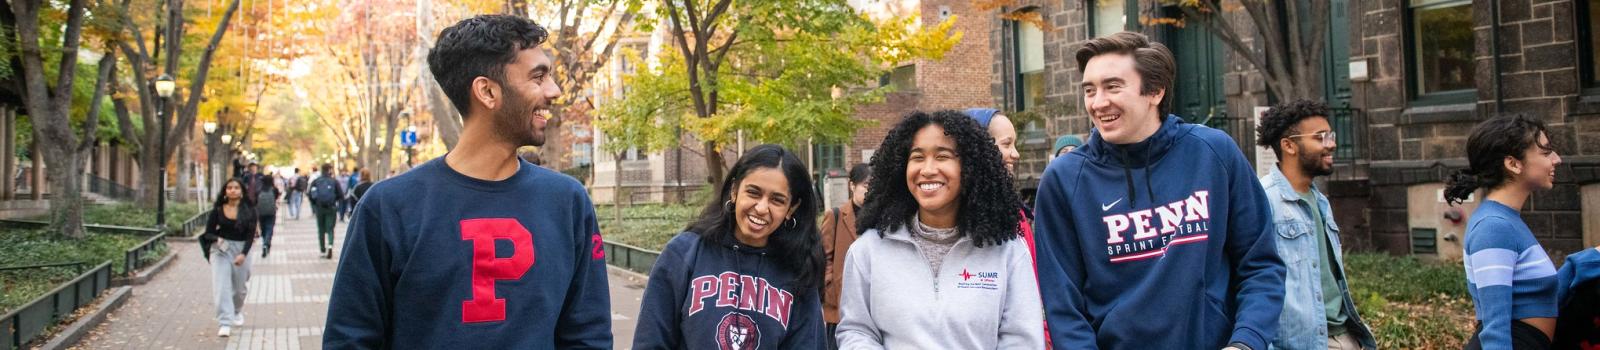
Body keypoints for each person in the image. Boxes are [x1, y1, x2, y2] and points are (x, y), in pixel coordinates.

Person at [323, 14, 611, 348]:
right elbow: (351, 338)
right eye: (538, 77)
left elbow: (588, 334)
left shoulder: (568, 201)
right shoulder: (387, 207)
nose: (555, 91)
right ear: (487, 91)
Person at [1032, 32, 1283, 350]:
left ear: (1155, 91)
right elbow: (1063, 306)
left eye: (1112, 87)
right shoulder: (1064, 180)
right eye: (1089, 90)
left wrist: (1247, 342)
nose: (1098, 103)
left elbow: (1260, 264)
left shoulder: (1213, 153)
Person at [836, 110, 1044, 349]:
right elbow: (856, 331)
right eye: (917, 157)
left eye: (942, 156)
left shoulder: (1008, 252)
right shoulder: (868, 251)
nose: (927, 169)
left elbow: (1022, 340)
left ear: (970, 166)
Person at [633, 144, 825, 349]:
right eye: (753, 193)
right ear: (734, 191)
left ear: (791, 208)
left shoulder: (798, 270)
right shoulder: (684, 254)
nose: (761, 208)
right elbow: (650, 341)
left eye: (777, 200)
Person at [1255, 100, 1376, 350]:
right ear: (1288, 145)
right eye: (1320, 137)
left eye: (1330, 136)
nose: (1331, 144)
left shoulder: (1319, 200)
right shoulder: (1263, 199)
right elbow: (1248, 280)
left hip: (1344, 336)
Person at [1445, 114, 1564, 350]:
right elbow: (1495, 326)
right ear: (1513, 164)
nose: (1556, 159)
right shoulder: (1494, 227)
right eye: (1546, 152)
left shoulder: (1506, 220)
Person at [819, 163, 870, 349]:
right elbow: (824, 256)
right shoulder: (835, 215)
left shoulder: (880, 219)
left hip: (869, 300)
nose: (870, 191)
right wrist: (830, 282)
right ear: (852, 185)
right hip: (838, 305)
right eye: (866, 185)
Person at [199, 178, 258, 337]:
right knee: (221, 285)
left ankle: (237, 310)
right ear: (225, 191)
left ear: (241, 191)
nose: (232, 190)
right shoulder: (218, 210)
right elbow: (208, 232)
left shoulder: (250, 210)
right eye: (229, 188)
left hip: (242, 249)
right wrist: (217, 239)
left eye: (236, 188)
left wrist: (243, 254)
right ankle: (225, 321)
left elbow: (251, 235)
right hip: (220, 250)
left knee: (239, 288)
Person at [307, 164, 343, 259]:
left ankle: (322, 249)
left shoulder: (316, 181)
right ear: (330, 170)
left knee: (321, 229)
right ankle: (330, 245)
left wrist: (315, 205)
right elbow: (341, 195)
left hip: (320, 208)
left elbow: (310, 195)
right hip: (331, 208)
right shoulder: (334, 181)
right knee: (330, 228)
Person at [254, 169, 281, 258]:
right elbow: (277, 197)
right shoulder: (274, 189)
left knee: (263, 229)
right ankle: (266, 243)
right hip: (271, 212)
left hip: (261, 212)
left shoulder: (259, 189)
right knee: (270, 228)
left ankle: (264, 242)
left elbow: (255, 200)